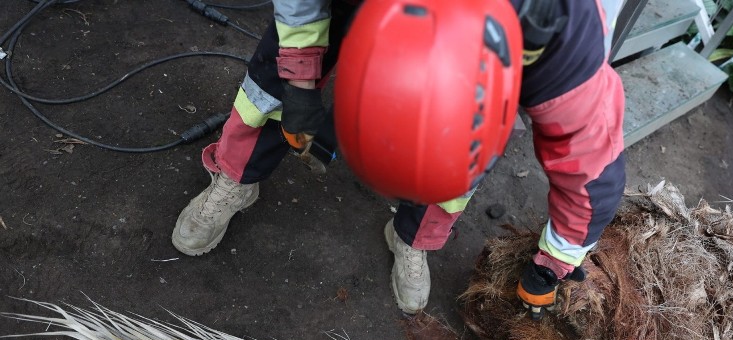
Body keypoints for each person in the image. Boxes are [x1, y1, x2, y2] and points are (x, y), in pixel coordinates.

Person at [171, 0, 627, 319]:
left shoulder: (565, 40)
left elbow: (591, 170)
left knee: (457, 166)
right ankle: (235, 179)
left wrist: (553, 265)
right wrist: (299, 75)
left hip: (526, 42)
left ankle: (414, 236)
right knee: (272, 82)